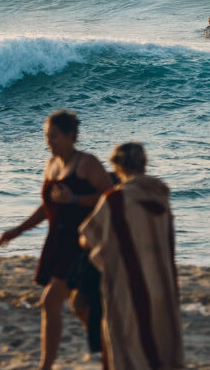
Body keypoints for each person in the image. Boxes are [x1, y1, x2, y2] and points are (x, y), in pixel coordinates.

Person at [0, 110, 112, 370]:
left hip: (82, 243)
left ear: (71, 136)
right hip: (58, 242)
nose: (49, 142)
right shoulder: (51, 165)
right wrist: (18, 230)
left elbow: (110, 197)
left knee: (52, 301)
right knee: (80, 306)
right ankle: (111, 354)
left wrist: (75, 200)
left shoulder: (87, 163)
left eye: (54, 136)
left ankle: (46, 366)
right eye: (47, 136)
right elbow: (45, 208)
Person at [79, 143, 184, 370]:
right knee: (161, 340)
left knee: (129, 341)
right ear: (144, 164)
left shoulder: (115, 199)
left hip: (129, 283)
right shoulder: (161, 196)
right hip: (162, 280)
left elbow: (88, 237)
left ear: (118, 166)